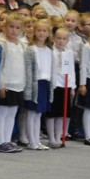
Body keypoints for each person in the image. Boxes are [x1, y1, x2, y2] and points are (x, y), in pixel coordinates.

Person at [0, 14, 24, 153]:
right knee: (2, 113)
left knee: (12, 113)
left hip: (18, 84)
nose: (14, 30)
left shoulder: (22, 44)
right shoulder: (1, 43)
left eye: (17, 28)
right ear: (4, 27)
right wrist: (1, 84)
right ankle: (0, 141)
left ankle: (7, 139)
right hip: (6, 84)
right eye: (11, 27)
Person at [23, 19, 53, 150]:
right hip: (34, 84)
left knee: (39, 113)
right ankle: (31, 141)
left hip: (44, 83)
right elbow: (28, 70)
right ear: (34, 32)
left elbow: (51, 69)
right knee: (31, 112)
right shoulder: (30, 50)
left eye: (44, 31)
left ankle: (37, 140)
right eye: (39, 30)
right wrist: (28, 88)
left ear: (48, 33)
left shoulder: (49, 50)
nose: (41, 33)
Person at [46, 27, 76, 148]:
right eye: (58, 38)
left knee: (63, 113)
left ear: (68, 40)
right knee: (52, 112)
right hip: (55, 85)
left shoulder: (68, 54)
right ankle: (51, 137)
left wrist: (72, 86)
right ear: (53, 38)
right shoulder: (51, 52)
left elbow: (71, 71)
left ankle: (59, 136)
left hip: (66, 86)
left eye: (64, 39)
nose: (61, 41)